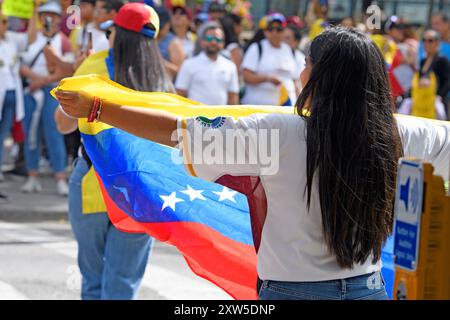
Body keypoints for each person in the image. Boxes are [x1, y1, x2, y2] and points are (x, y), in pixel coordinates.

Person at [56, 27, 450, 300]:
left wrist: (98, 108)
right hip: (368, 288)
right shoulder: (399, 133)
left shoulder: (280, 132)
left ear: (320, 76)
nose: (299, 73)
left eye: (306, 65)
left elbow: (178, 130)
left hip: (291, 290)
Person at [55, 2, 172, 300]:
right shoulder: (162, 82)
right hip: (139, 189)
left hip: (93, 181)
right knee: (123, 282)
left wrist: (77, 77)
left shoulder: (94, 66)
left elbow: (63, 126)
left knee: (92, 280)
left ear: (117, 34)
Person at [20, 1, 71, 195]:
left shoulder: (63, 41)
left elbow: (67, 69)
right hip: (32, 92)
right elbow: (22, 65)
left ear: (59, 19)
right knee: (31, 132)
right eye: (44, 14)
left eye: (53, 15)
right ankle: (32, 175)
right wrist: (35, 79)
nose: (48, 18)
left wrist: (44, 80)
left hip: (52, 92)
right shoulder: (31, 38)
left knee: (54, 133)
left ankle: (59, 176)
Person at [175, 22, 239, 105]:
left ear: (223, 43)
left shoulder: (230, 66)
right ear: (201, 42)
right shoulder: (189, 64)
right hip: (195, 116)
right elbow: (180, 94)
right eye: (209, 38)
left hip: (221, 117)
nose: (213, 42)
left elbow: (233, 97)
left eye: (218, 39)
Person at [241, 13, 297, 106]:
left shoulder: (288, 49)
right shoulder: (257, 48)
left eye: (279, 29)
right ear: (265, 31)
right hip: (258, 108)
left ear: (284, 30)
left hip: (284, 107)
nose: (274, 32)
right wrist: (268, 78)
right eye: (270, 29)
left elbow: (294, 79)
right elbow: (247, 77)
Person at [0, 10, 28, 183]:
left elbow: (30, 38)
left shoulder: (11, 40)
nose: (6, 25)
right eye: (2, 22)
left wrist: (31, 8)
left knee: (3, 134)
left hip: (11, 93)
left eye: (5, 21)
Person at [399, 29, 450, 120]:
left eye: (430, 41)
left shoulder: (442, 60)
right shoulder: (423, 61)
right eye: (424, 40)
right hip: (421, 105)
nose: (426, 43)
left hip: (435, 106)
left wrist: (439, 96)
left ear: (437, 43)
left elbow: (447, 81)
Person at [156, 5, 186, 80]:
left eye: (161, 26)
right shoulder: (149, 38)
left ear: (168, 24)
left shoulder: (173, 42)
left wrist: (157, 61)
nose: (159, 29)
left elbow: (181, 71)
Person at [283, 23, 306, 95]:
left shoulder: (300, 58)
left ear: (296, 42)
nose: (282, 40)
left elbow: (297, 84)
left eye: (287, 38)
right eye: (282, 37)